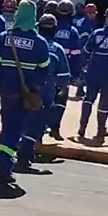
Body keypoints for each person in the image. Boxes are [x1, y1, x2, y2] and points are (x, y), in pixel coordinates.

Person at [0, 0, 50, 182]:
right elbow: (44, 71)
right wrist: (35, 89)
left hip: (7, 92)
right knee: (14, 131)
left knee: (7, 126)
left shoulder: (4, 37)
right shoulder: (40, 42)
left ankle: (3, 161)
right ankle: (4, 166)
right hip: (25, 95)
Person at [16, 12, 70, 168]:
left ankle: (12, 153)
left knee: (19, 122)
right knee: (36, 126)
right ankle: (25, 156)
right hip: (45, 93)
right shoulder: (57, 49)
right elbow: (63, 75)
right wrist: (63, 90)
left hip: (23, 89)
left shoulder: (31, 43)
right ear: (55, 30)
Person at [77, 6, 108, 141]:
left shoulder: (96, 33)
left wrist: (82, 68)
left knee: (88, 99)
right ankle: (101, 129)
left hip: (93, 71)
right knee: (104, 101)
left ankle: (82, 127)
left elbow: (86, 51)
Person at [50, 0, 82, 140]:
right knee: (60, 102)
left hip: (46, 71)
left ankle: (41, 129)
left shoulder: (49, 26)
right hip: (63, 73)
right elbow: (76, 54)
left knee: (45, 100)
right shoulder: (73, 32)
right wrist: (75, 74)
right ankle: (55, 128)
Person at [75, 3, 98, 98]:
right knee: (83, 70)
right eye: (92, 13)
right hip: (82, 50)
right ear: (88, 13)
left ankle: (81, 89)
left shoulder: (94, 23)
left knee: (86, 70)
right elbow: (80, 38)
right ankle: (79, 90)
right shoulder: (82, 23)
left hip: (89, 50)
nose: (94, 15)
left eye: (94, 13)